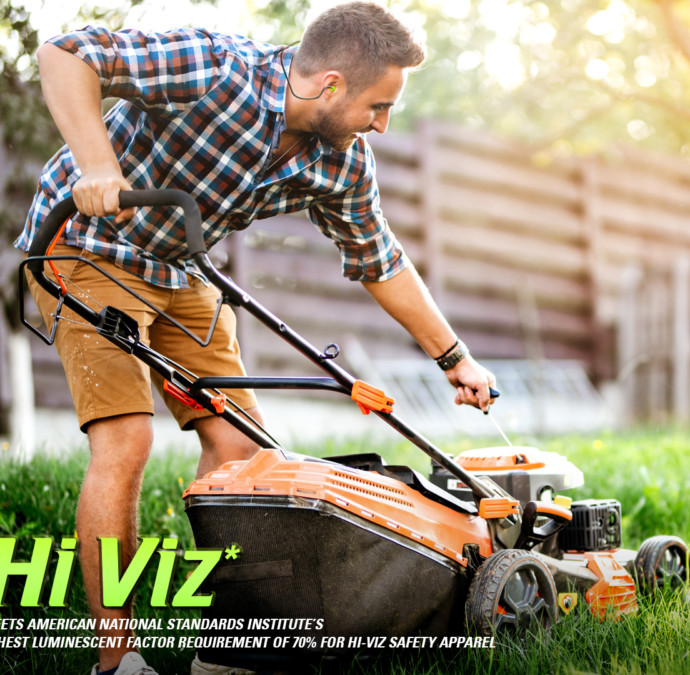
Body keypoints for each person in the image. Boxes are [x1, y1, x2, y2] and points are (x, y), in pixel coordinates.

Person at [16, 4, 496, 674]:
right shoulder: (218, 68)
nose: (383, 126)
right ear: (329, 85)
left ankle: (229, 646)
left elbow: (380, 259)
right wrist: (96, 163)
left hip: (178, 268)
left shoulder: (342, 162)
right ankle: (116, 659)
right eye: (378, 106)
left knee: (241, 454)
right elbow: (65, 53)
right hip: (87, 248)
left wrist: (455, 358)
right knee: (126, 439)